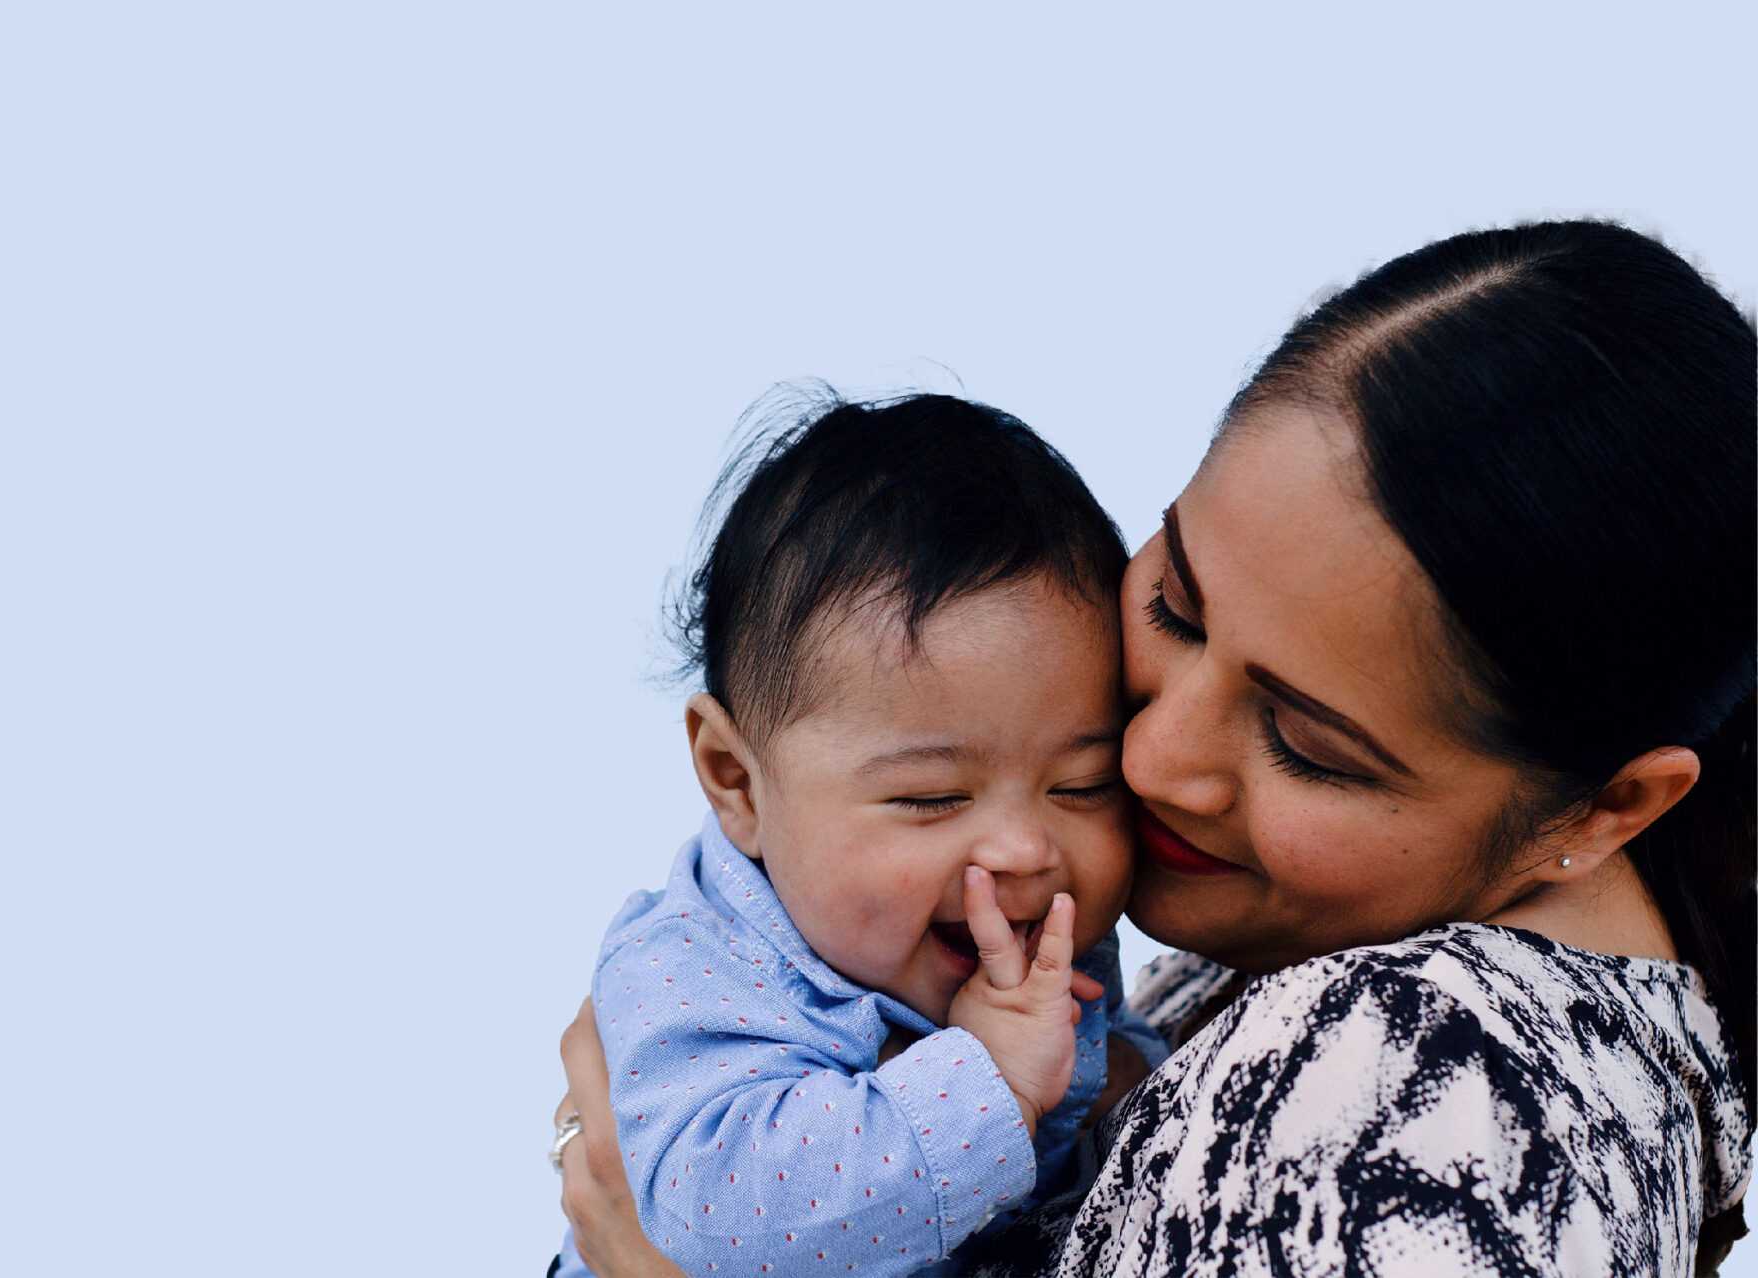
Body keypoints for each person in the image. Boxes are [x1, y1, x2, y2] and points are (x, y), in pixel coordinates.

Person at [554, 220, 1755, 1277]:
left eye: (1303, 741)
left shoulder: (1430, 1089)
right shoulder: (1288, 949)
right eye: (1175, 604)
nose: (1146, 762)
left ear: (1604, 808)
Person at [552, 393, 1167, 1277]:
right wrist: (988, 1082)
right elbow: (714, 1217)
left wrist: (1120, 1080)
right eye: (931, 797)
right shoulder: (691, 966)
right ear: (736, 780)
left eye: (1083, 784)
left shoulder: (1033, 930)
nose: (1028, 850)